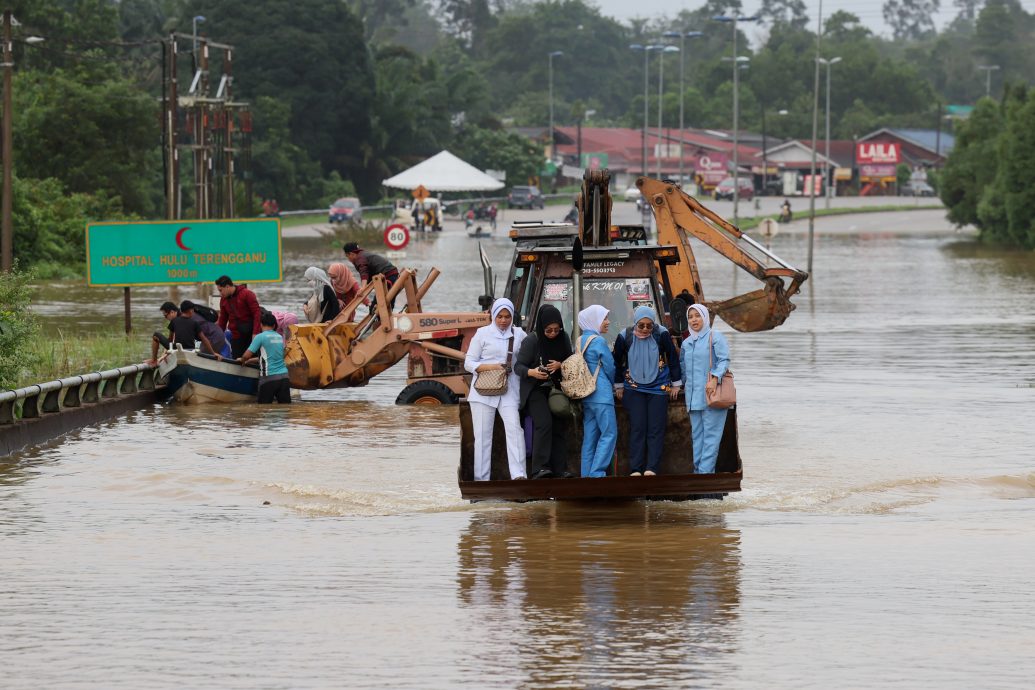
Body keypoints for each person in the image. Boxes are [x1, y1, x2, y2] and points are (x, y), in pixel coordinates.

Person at [612, 305, 682, 477]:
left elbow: (673, 359)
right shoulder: (624, 336)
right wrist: (619, 385)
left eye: (649, 326)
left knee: (656, 429)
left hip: (658, 387)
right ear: (635, 323)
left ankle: (651, 468)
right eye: (641, 325)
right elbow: (616, 361)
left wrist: (676, 384)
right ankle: (636, 469)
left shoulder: (662, 334)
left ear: (654, 325)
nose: (644, 329)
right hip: (633, 387)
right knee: (638, 427)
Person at [464, 297, 527, 481]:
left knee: (515, 431)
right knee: (482, 438)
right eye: (499, 316)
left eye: (507, 316)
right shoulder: (482, 334)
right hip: (482, 393)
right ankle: (481, 480)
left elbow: (525, 359)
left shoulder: (519, 334)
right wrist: (492, 367)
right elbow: (469, 363)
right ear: (493, 315)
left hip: (509, 391)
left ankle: (519, 476)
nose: (503, 320)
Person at [515, 304, 574, 479]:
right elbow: (518, 366)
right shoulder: (532, 340)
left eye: (556, 330)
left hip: (555, 389)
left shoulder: (563, 338)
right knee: (544, 423)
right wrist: (532, 372)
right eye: (548, 331)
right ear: (542, 327)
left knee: (559, 425)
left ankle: (560, 469)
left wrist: (560, 365)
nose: (553, 334)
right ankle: (539, 468)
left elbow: (570, 361)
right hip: (534, 389)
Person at [680, 304, 730, 474]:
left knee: (711, 439)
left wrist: (715, 378)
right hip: (693, 399)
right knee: (697, 438)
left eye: (697, 315)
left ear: (705, 317)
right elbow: (683, 370)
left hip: (712, 396)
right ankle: (698, 474)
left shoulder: (715, 337)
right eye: (690, 317)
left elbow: (724, 360)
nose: (694, 319)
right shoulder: (686, 343)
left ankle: (704, 477)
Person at [577, 305, 618, 478]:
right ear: (594, 320)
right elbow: (609, 367)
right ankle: (597, 473)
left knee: (590, 438)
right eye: (604, 318)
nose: (607, 322)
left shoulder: (580, 340)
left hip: (586, 395)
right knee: (609, 433)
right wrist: (613, 384)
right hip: (601, 394)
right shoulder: (599, 341)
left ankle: (586, 475)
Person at [240, 311, 291, 404]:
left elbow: (246, 355)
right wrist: (251, 360)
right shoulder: (279, 337)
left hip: (269, 378)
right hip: (284, 378)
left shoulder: (260, 337)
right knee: (284, 410)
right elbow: (275, 356)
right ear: (274, 325)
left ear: (261, 324)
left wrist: (242, 360)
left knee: (263, 410)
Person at [148, 301, 219, 365]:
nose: (165, 318)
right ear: (191, 311)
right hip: (191, 349)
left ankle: (154, 360)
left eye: (165, 316)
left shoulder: (174, 321)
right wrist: (213, 353)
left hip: (178, 348)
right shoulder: (194, 323)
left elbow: (170, 340)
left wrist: (168, 352)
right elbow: (204, 339)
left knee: (155, 335)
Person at [215, 275, 262, 359]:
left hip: (251, 334)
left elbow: (257, 314)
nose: (220, 293)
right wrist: (217, 335)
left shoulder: (247, 294)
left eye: (220, 290)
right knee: (237, 360)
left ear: (227, 286)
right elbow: (223, 319)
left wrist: (256, 333)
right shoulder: (223, 300)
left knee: (253, 359)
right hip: (236, 336)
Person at [344, 242, 400, 309]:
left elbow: (364, 273)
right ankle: (386, 318)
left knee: (376, 306)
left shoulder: (360, 258)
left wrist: (363, 288)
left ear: (351, 254)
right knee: (388, 303)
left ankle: (382, 318)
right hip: (391, 275)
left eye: (347, 256)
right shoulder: (363, 254)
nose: (348, 259)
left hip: (388, 277)